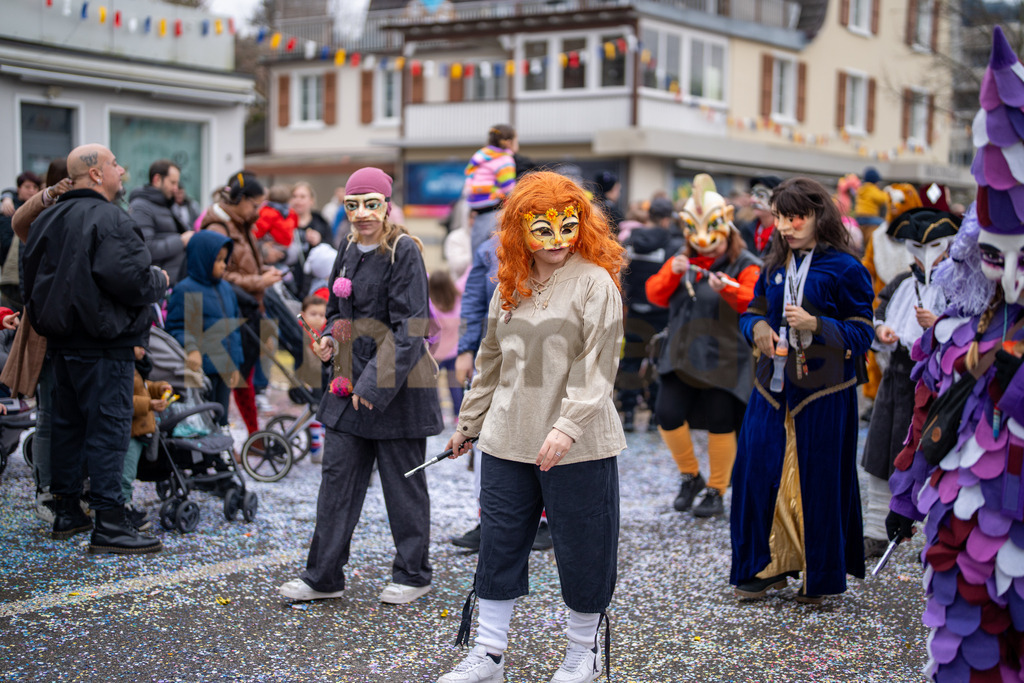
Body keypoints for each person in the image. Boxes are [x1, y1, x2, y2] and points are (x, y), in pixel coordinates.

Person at [437, 171, 626, 683]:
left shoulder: (595, 281)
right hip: (507, 437)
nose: (558, 240)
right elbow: (490, 362)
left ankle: (580, 656)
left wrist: (567, 426)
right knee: (498, 543)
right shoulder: (510, 285)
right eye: (543, 228)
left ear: (582, 224)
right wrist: (468, 424)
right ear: (519, 229)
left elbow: (599, 363)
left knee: (583, 545)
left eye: (568, 225)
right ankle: (489, 656)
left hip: (579, 444)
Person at [887, 27, 1024, 681]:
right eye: (998, 257)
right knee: (965, 632)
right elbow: (930, 394)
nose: (1013, 274)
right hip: (965, 514)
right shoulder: (972, 315)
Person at [278, 167, 443, 604]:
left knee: (402, 487)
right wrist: (331, 338)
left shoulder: (404, 250)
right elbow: (336, 308)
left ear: (387, 205)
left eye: (372, 203)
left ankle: (413, 574)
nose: (363, 213)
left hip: (397, 389)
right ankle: (324, 577)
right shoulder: (348, 248)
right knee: (336, 483)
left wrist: (373, 386)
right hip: (347, 387)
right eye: (353, 205)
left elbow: (413, 327)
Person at [730, 176, 874, 602]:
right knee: (756, 473)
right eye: (779, 217)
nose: (786, 227)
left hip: (825, 391)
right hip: (772, 387)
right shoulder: (774, 265)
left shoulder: (847, 268)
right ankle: (763, 567)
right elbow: (753, 310)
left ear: (818, 216)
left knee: (819, 480)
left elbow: (863, 332)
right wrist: (755, 327)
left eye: (795, 218)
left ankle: (820, 576)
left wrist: (818, 326)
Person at [22, 143, 168, 554]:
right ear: (97, 174)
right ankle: (109, 522)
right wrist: (158, 279)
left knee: (67, 426)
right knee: (107, 430)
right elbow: (134, 282)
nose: (122, 170)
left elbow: (30, 279)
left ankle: (67, 508)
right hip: (105, 344)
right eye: (115, 164)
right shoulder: (110, 219)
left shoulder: (47, 218)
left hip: (61, 344)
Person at [646, 175, 762, 517]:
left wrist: (728, 287)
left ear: (726, 232)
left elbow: (755, 302)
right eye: (697, 242)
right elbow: (655, 294)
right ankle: (691, 476)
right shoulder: (683, 259)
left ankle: (717, 489)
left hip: (726, 356)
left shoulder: (747, 264)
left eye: (712, 241)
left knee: (721, 421)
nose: (705, 247)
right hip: (681, 353)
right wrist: (672, 271)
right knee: (667, 415)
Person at [860, 208, 959, 558]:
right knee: (882, 450)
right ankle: (874, 530)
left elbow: (968, 330)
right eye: (918, 246)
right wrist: (881, 329)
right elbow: (880, 309)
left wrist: (940, 325)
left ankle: (936, 534)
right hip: (897, 377)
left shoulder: (958, 283)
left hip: (938, 384)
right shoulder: (903, 282)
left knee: (930, 456)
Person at [2, 159, 72, 524]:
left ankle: (68, 489)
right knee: (48, 415)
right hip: (46, 332)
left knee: (67, 415)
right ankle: (46, 489)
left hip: (75, 332)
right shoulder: (45, 219)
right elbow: (17, 222)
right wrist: (47, 195)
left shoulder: (89, 213)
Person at [201, 171, 281, 436]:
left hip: (247, 305)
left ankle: (251, 433)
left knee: (241, 376)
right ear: (241, 199)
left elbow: (242, 264)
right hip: (230, 310)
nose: (257, 211)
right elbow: (219, 273)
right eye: (255, 205)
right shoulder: (218, 226)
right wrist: (259, 281)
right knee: (232, 378)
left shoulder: (240, 223)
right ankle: (232, 436)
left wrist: (261, 273)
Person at [165, 230, 243, 427]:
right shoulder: (186, 289)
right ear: (203, 259)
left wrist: (235, 363)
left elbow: (233, 328)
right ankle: (207, 455)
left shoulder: (226, 289)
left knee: (222, 415)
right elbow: (177, 327)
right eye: (218, 260)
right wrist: (191, 349)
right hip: (202, 369)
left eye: (225, 260)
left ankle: (221, 452)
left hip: (224, 366)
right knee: (203, 416)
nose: (223, 265)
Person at [617, 196, 682, 433]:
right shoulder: (674, 244)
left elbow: (622, 272)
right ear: (667, 218)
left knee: (631, 361)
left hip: (635, 309)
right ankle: (655, 415)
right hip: (662, 311)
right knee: (658, 362)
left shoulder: (632, 240)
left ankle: (630, 415)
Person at [121, 343, 172, 530]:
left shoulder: (136, 369)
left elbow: (143, 387)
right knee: (126, 473)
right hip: (131, 431)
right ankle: (123, 508)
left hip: (139, 429)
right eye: (138, 345)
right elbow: (123, 399)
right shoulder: (123, 367)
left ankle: (125, 504)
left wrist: (158, 388)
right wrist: (149, 404)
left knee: (130, 471)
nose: (143, 349)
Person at [128, 159, 193, 287]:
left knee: (195, 306)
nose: (176, 188)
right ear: (157, 179)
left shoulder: (167, 204)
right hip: (164, 287)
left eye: (177, 183)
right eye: (172, 183)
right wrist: (181, 241)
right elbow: (146, 248)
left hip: (182, 279)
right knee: (193, 306)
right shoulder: (141, 207)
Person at [465, 124, 517, 255]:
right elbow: (509, 190)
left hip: (476, 208)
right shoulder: (505, 159)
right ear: (509, 142)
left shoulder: (480, 155)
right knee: (495, 257)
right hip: (494, 208)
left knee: (478, 255)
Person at [294, 294, 327, 464]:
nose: (318, 318)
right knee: (317, 411)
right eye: (313, 314)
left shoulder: (320, 333)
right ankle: (316, 447)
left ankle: (318, 444)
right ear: (303, 315)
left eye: (322, 315)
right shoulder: (307, 335)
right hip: (312, 378)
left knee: (319, 411)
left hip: (319, 377)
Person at [428, 268, 464, 424]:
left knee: (432, 386)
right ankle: (458, 416)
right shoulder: (458, 300)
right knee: (455, 386)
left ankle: (436, 415)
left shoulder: (431, 304)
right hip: (454, 351)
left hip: (435, 353)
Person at [739, 175, 783, 256]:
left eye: (761, 196)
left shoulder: (785, 233)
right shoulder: (746, 230)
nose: (753, 200)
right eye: (752, 194)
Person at [853, 167, 888, 241]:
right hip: (870, 218)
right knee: (885, 224)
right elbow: (882, 198)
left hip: (859, 217)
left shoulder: (861, 189)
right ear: (875, 181)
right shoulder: (872, 189)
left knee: (862, 239)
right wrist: (887, 193)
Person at [592, 170, 624, 235]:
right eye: (617, 189)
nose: (619, 194)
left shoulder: (591, 205)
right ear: (611, 190)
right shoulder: (613, 211)